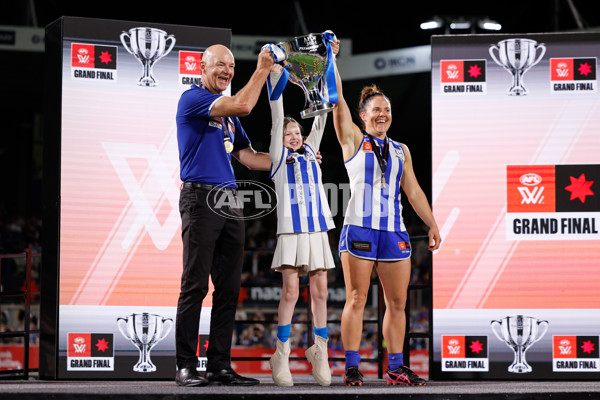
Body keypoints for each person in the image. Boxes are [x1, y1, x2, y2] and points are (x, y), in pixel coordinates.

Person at [331, 46, 441, 386]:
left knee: (398, 303)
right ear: (363, 116)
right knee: (357, 298)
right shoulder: (352, 140)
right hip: (360, 229)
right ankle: (352, 367)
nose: (383, 114)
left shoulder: (400, 149)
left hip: (394, 231)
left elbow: (414, 192)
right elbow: (337, 101)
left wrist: (432, 224)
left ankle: (395, 367)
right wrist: (332, 60)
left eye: (387, 110)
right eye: (376, 110)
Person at [174, 44, 275, 387]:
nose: (227, 71)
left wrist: (294, 158)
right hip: (200, 198)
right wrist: (261, 69)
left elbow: (248, 157)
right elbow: (246, 104)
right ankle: (186, 365)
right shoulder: (193, 99)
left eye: (231, 66)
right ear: (202, 66)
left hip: (231, 202)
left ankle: (219, 365)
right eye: (221, 65)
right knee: (195, 285)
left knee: (229, 289)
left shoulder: (228, 115)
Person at [265, 64, 336, 387]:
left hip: (318, 229)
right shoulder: (278, 157)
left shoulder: (311, 150)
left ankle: (319, 351)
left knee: (320, 292)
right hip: (291, 231)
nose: (294, 135)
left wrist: (328, 65)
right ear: (280, 138)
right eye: (288, 133)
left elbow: (322, 112)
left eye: (297, 132)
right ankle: (281, 354)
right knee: (291, 292)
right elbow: (277, 115)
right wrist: (273, 73)